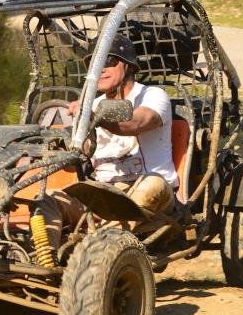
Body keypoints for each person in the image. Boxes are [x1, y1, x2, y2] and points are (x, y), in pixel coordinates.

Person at [67, 33, 178, 215]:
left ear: (128, 65)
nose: (100, 69)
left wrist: (96, 117)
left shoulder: (153, 96)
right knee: (49, 199)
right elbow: (77, 160)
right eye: (94, 64)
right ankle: (46, 244)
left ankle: (108, 237)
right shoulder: (91, 105)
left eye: (109, 60)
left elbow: (136, 122)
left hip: (152, 189)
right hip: (105, 192)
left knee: (152, 185)